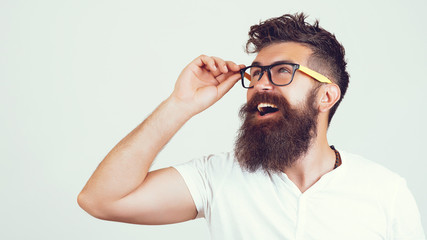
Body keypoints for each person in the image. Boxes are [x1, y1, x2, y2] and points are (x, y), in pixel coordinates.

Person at [78, 13, 425, 239]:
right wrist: (179, 106)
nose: (260, 84)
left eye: (282, 71)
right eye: (256, 72)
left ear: (326, 96)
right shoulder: (218, 178)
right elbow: (102, 200)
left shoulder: (386, 193)